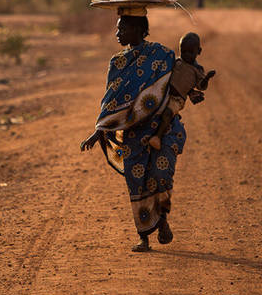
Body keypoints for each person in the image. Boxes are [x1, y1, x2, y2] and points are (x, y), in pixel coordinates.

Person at [80, 14, 185, 252]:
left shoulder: (163, 55)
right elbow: (110, 103)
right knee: (136, 182)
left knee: (160, 176)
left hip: (162, 130)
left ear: (138, 29)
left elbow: (177, 86)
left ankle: (163, 221)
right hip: (133, 135)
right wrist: (98, 132)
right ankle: (144, 236)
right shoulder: (117, 63)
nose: (117, 34)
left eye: (122, 29)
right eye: (118, 30)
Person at [148, 33, 215, 150]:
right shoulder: (177, 61)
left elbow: (201, 86)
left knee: (167, 113)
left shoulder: (197, 70)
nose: (186, 55)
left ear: (198, 51)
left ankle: (157, 137)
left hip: (177, 99)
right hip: (164, 92)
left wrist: (207, 78)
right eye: (183, 51)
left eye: (190, 52)